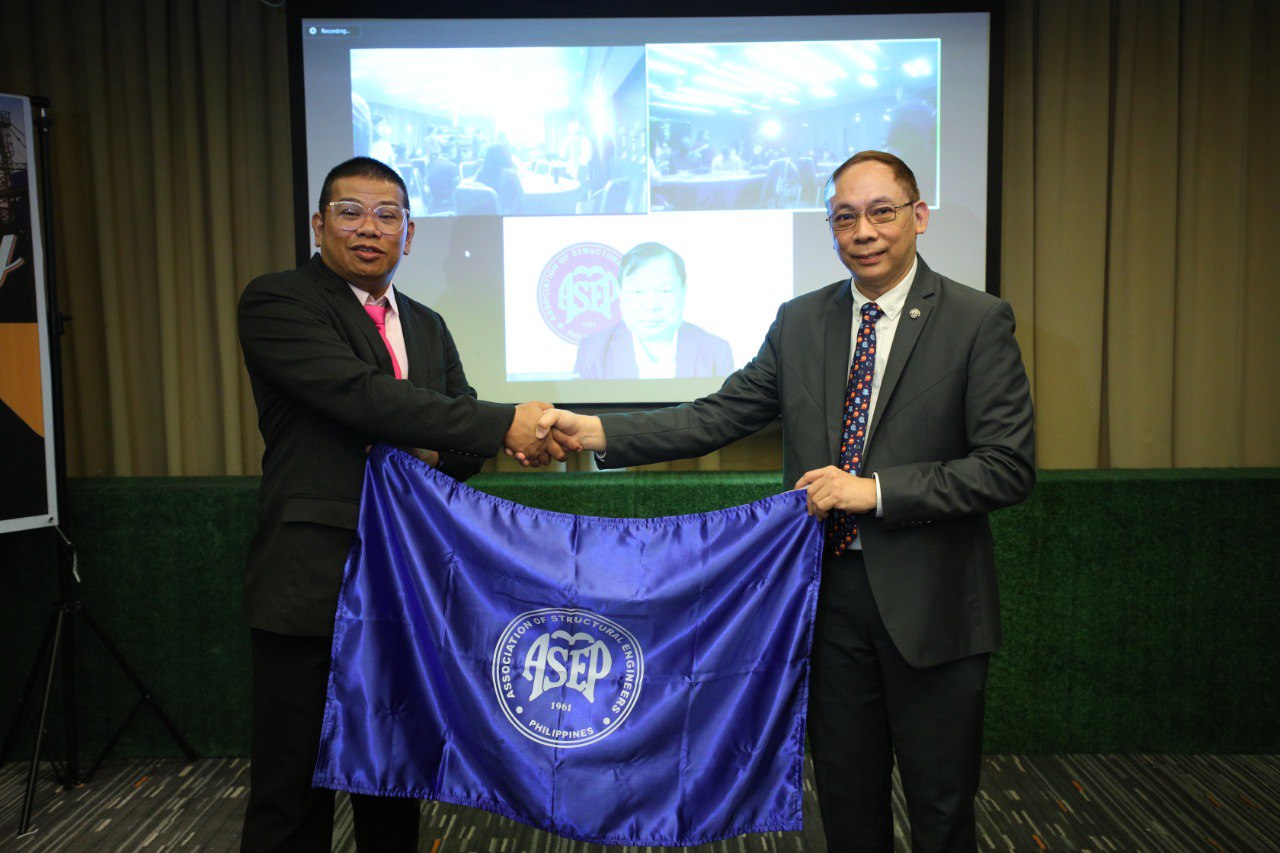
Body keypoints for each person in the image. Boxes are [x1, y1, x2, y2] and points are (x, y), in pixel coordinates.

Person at [538, 151, 1035, 851]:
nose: (863, 231)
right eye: (845, 217)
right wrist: (598, 431)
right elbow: (717, 414)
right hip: (823, 597)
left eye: (882, 212)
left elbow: (1007, 467)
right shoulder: (801, 321)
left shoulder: (977, 321)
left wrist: (873, 491)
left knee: (941, 803)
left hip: (933, 603)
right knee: (845, 795)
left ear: (918, 216)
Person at [236, 156, 569, 852]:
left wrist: (428, 447)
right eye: (351, 212)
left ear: (409, 235)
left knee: (394, 778)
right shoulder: (279, 302)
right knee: (291, 792)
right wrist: (492, 425)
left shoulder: (427, 324)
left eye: (387, 215)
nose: (369, 228)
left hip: (407, 587)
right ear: (318, 224)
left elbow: (462, 442)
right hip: (312, 580)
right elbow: (360, 394)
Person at [574, 242, 733, 380]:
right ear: (620, 293)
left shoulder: (716, 351)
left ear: (683, 292)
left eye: (664, 291)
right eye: (638, 292)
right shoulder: (592, 352)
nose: (652, 306)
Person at [474, 142, 525, 215]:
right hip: (505, 216)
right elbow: (521, 199)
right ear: (506, 156)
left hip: (483, 216)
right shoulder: (509, 175)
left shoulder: (479, 172)